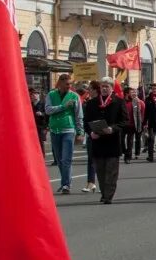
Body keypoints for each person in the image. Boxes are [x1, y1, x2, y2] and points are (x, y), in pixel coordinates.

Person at [86, 76, 127, 204]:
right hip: (97, 142)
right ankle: (104, 192)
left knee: (111, 171)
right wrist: (90, 132)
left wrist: (113, 128)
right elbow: (86, 121)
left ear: (111, 88)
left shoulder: (119, 102)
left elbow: (125, 121)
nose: (104, 88)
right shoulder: (92, 103)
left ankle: (108, 196)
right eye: (102, 86)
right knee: (100, 170)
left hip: (112, 142)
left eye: (106, 86)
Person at [45, 74, 81, 195]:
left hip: (68, 130)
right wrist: (63, 107)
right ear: (60, 83)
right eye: (67, 84)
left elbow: (78, 115)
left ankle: (66, 184)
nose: (69, 86)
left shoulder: (74, 96)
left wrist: (80, 132)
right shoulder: (51, 95)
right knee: (60, 160)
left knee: (66, 159)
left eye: (70, 84)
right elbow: (48, 110)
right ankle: (65, 182)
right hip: (55, 130)